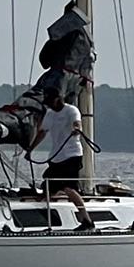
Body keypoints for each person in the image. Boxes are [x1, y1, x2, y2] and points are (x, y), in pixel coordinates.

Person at [31, 90, 95, 229]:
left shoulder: (71, 110)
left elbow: (77, 123)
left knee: (69, 188)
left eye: (50, 102)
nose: (49, 105)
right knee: (48, 187)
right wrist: (31, 149)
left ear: (58, 99)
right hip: (56, 157)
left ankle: (87, 221)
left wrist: (76, 129)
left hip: (71, 155)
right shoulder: (50, 114)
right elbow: (42, 132)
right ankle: (47, 220)